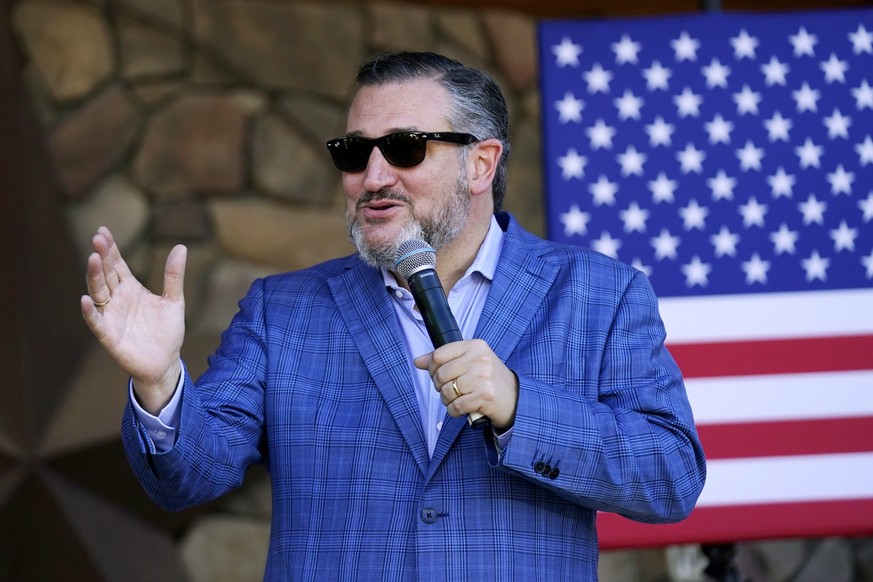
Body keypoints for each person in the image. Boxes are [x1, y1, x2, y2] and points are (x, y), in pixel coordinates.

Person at [81, 51, 706, 580]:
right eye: (354, 153)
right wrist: (160, 383)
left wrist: (520, 407)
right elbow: (187, 478)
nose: (373, 176)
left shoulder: (599, 293)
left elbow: (671, 475)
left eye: (404, 148)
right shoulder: (284, 311)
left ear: (481, 163)